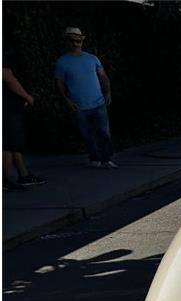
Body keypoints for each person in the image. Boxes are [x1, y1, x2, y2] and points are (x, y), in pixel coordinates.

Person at [54, 27, 117, 169]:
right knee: (87, 135)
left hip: (98, 102)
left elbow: (103, 76)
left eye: (78, 41)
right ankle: (95, 158)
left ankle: (106, 159)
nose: (76, 44)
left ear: (82, 41)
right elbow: (59, 83)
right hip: (79, 106)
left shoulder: (92, 58)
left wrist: (108, 92)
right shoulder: (62, 62)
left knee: (104, 133)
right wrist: (67, 100)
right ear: (67, 42)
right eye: (72, 41)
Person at [3, 55, 46, 190]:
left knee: (14, 144)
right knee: (9, 145)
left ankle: (23, 174)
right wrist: (27, 97)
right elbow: (7, 77)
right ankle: (5, 180)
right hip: (9, 108)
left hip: (10, 107)